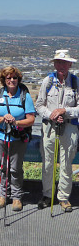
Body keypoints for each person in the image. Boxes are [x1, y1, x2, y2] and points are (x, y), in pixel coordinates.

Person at [36, 50, 79, 212]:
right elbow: (39, 105)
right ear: (54, 64)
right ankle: (47, 195)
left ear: (70, 64)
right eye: (58, 62)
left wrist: (64, 111)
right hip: (50, 127)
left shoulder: (75, 82)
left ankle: (63, 197)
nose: (61, 65)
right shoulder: (48, 81)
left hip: (69, 127)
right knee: (48, 163)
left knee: (66, 163)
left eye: (64, 62)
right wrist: (52, 115)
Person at [0, 66, 35, 211]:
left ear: (18, 79)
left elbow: (31, 119)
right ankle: (2, 195)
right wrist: (3, 119)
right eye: (8, 78)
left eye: (14, 78)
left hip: (17, 138)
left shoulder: (25, 96)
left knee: (15, 169)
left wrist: (16, 122)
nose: (12, 80)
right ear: (4, 80)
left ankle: (16, 197)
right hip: (1, 136)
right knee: (3, 168)